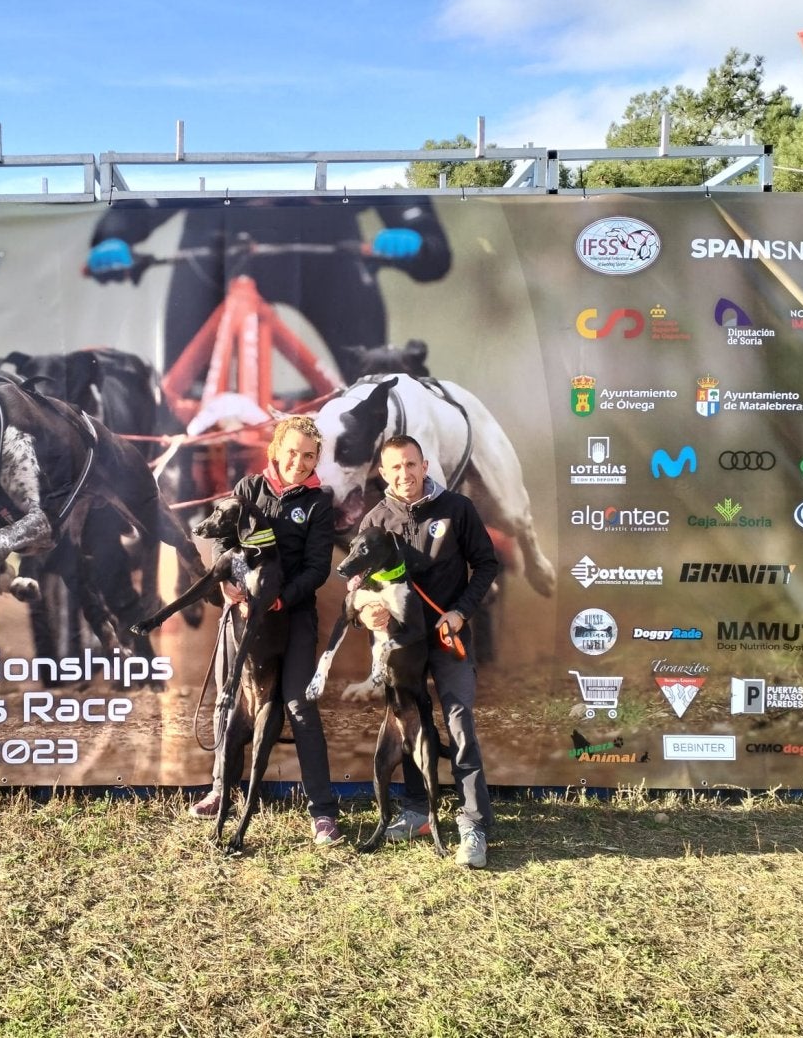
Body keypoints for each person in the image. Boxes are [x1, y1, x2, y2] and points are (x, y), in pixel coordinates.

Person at [85, 198, 451, 383]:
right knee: (177, 392)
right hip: (214, 260)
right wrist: (113, 236)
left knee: (378, 385)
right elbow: (142, 204)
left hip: (328, 261)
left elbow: (434, 251)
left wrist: (419, 240)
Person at [189, 415, 342, 846]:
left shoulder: (318, 501)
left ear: (316, 460)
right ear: (275, 450)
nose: (299, 461)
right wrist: (228, 584)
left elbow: (317, 568)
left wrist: (280, 598)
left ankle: (323, 811)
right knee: (229, 699)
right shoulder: (248, 488)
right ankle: (221, 791)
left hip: (292, 615)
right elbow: (222, 540)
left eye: (309, 456)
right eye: (292, 452)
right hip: (241, 612)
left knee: (298, 704)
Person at [356, 434, 500, 869]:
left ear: (425, 464)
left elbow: (487, 564)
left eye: (411, 464)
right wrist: (366, 612)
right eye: (395, 467)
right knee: (410, 726)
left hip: (447, 636)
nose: (405, 475)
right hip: (402, 647)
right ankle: (418, 811)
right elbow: (359, 586)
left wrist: (460, 611)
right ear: (383, 472)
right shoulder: (375, 520)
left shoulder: (457, 509)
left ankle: (473, 824)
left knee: (459, 723)